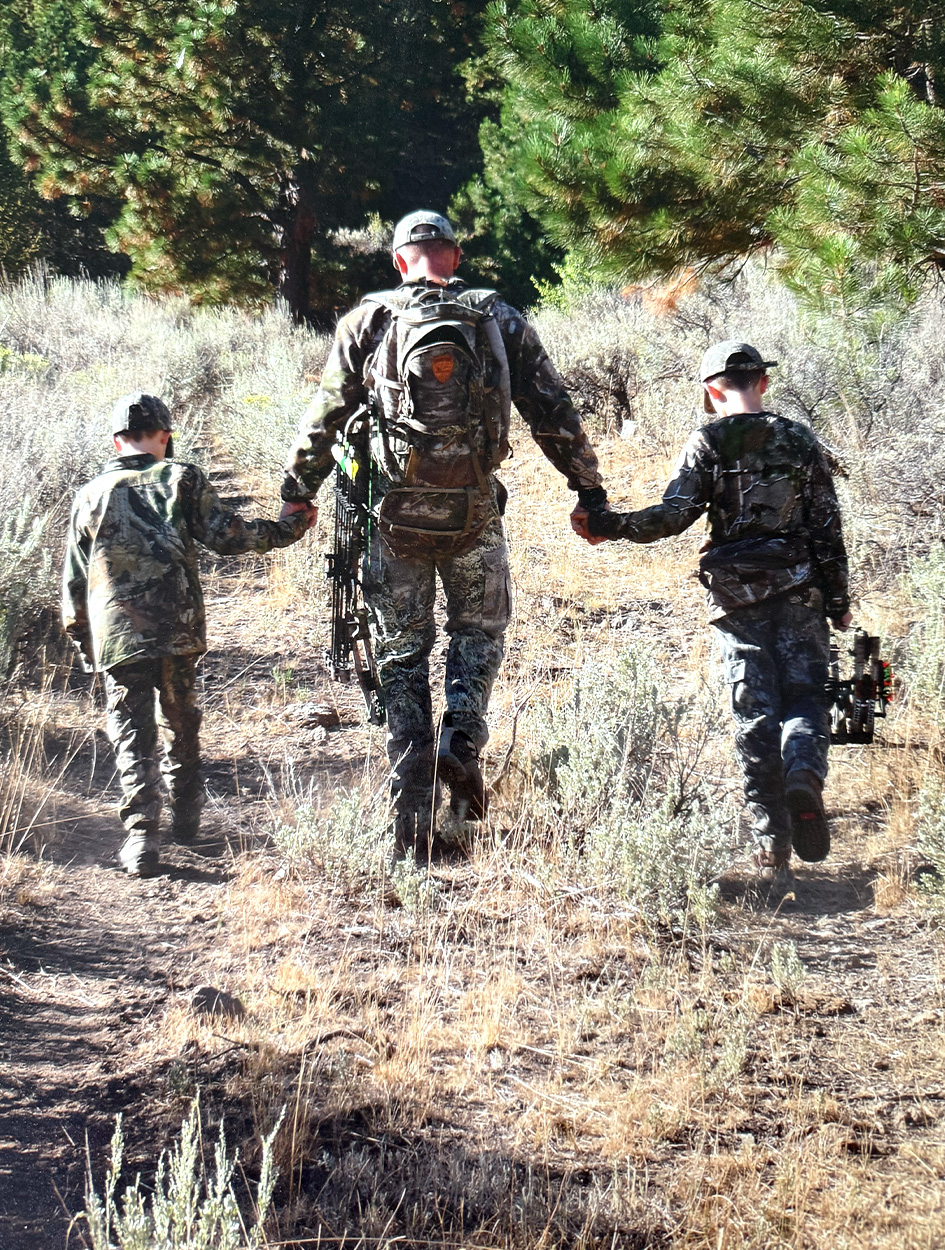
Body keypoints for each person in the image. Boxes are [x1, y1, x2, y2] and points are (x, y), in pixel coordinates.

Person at [281, 210, 608, 858]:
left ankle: (409, 815)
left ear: (400, 261)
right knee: (477, 634)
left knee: (401, 656)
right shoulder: (498, 318)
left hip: (390, 520)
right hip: (474, 514)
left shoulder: (368, 321)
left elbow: (323, 417)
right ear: (453, 257)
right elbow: (553, 413)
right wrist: (588, 492)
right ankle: (460, 739)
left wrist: (297, 495)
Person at [572, 341, 851, 883]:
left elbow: (674, 515)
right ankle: (804, 774)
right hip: (800, 594)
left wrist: (608, 525)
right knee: (806, 701)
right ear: (761, 383)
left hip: (735, 599)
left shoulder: (708, 440)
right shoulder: (800, 439)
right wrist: (837, 601)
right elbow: (826, 526)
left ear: (711, 391)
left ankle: (773, 854)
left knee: (755, 716)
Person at [62, 393, 317, 877]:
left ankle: (142, 838)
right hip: (177, 628)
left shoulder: (89, 494)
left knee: (131, 733)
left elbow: (74, 582)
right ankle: (186, 821)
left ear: (117, 441)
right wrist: (288, 529)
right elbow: (229, 536)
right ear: (164, 435)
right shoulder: (182, 477)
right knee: (181, 722)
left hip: (119, 635)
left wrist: (83, 639)